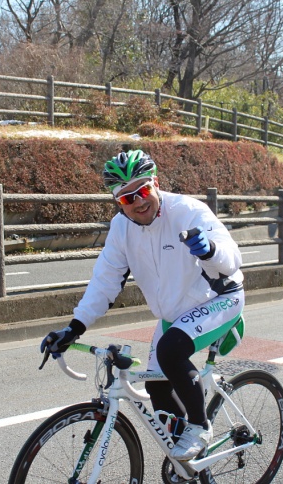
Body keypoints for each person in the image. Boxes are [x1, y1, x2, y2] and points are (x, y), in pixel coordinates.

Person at [40, 149, 245, 461]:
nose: (138, 202)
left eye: (143, 191)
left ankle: (201, 428)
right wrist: (74, 328)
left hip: (219, 297)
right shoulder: (121, 230)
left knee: (170, 352)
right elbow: (105, 281)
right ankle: (189, 466)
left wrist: (210, 251)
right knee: (158, 386)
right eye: (126, 198)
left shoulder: (189, 211)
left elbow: (232, 259)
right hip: (174, 314)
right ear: (117, 203)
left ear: (156, 183)